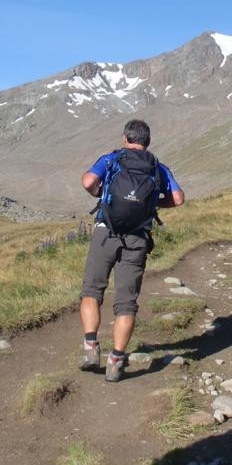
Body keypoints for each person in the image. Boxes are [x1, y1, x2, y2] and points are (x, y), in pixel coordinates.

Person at [79, 119, 184, 382]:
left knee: (92, 290)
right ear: (147, 142)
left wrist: (101, 194)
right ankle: (115, 361)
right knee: (126, 301)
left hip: (106, 231)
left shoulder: (112, 159)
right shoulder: (157, 166)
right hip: (138, 237)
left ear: (125, 138)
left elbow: (88, 181)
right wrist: (153, 204)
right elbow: (179, 198)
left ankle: (91, 348)